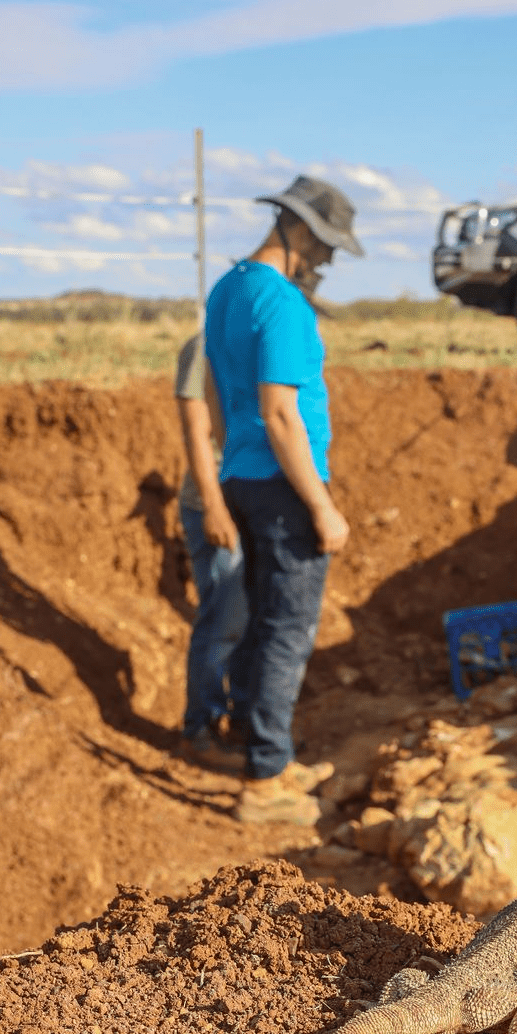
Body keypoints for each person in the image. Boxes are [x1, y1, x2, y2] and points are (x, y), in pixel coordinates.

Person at [204, 176, 362, 825]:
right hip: (282, 483)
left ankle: (265, 746)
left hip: (240, 474)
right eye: (323, 247)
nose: (325, 260)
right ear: (296, 229)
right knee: (288, 629)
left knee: (265, 615)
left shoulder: (227, 289)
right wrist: (321, 506)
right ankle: (266, 779)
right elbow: (280, 413)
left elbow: (218, 399)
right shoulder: (282, 302)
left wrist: (227, 463)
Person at [174, 334, 249, 773]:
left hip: (251, 500)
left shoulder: (257, 338)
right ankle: (199, 731)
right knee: (223, 620)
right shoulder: (204, 346)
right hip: (215, 502)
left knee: (247, 618)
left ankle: (240, 721)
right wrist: (215, 506)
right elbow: (195, 430)